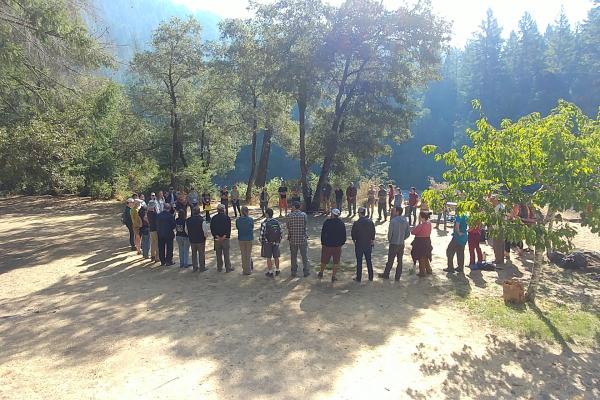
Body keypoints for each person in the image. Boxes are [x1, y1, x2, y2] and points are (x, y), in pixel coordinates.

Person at [378, 207, 410, 281]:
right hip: (401, 243)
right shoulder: (405, 220)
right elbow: (408, 233)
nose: (393, 212)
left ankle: (386, 274)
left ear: (398, 212)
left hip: (394, 243)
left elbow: (390, 233)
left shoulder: (393, 221)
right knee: (400, 261)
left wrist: (390, 240)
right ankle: (397, 277)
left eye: (394, 211)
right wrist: (403, 238)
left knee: (390, 260)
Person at [318, 208, 346, 282]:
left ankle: (321, 272)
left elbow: (323, 233)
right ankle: (333, 276)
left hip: (327, 245)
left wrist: (323, 242)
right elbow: (344, 235)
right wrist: (341, 243)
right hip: (337, 246)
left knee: (324, 260)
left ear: (333, 214)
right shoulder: (341, 223)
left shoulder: (327, 222)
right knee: (336, 262)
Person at [351, 206, 375, 282]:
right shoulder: (370, 222)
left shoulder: (356, 223)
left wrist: (355, 241)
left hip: (359, 244)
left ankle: (359, 277)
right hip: (368, 244)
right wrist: (372, 240)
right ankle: (370, 277)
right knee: (369, 261)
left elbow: (353, 234)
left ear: (360, 213)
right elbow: (373, 233)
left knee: (359, 262)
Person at [286, 201, 310, 277]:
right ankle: (306, 271)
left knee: (293, 256)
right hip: (302, 238)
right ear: (299, 207)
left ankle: (294, 272)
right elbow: (305, 224)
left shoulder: (290, 215)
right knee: (304, 256)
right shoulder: (304, 215)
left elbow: (288, 226)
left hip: (293, 238)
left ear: (293, 207)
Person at [210, 203, 233, 272]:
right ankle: (228, 268)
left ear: (217, 210)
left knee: (218, 254)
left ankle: (219, 267)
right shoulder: (227, 218)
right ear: (224, 210)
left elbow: (212, 228)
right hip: (225, 239)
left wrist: (217, 236)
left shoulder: (214, 218)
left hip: (217, 239)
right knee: (226, 254)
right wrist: (223, 237)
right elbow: (228, 228)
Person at [260, 208, 282, 277]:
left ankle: (270, 272)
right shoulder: (277, 222)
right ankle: (277, 270)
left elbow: (262, 235)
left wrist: (262, 241)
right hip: (276, 242)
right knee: (276, 257)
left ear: (266, 214)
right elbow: (281, 232)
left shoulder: (264, 223)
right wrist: (278, 240)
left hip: (267, 243)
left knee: (268, 257)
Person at [411, 211, 433, 276]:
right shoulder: (429, 224)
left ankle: (422, 272)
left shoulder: (420, 225)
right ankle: (429, 270)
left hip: (420, 242)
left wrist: (418, 224)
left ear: (422, 217)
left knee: (421, 257)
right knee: (426, 256)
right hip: (427, 241)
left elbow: (413, 232)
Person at [186, 207, 207, 272]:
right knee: (201, 254)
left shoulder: (188, 220)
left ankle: (195, 267)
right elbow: (205, 231)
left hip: (192, 239)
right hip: (200, 240)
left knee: (193, 254)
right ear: (199, 212)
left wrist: (190, 235)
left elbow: (186, 230)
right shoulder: (202, 220)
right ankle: (202, 267)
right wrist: (205, 237)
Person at [236, 206, 254, 275]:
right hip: (249, 238)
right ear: (247, 211)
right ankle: (248, 270)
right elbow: (252, 227)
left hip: (241, 238)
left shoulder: (238, 220)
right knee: (248, 254)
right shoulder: (250, 219)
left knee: (243, 254)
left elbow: (238, 227)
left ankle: (244, 270)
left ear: (241, 212)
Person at [489, 195, 506, 265]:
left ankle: (498, 260)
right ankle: (500, 259)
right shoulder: (501, 206)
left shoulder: (499, 207)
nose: (491, 202)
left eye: (492, 200)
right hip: (499, 227)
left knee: (497, 244)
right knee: (500, 244)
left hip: (498, 228)